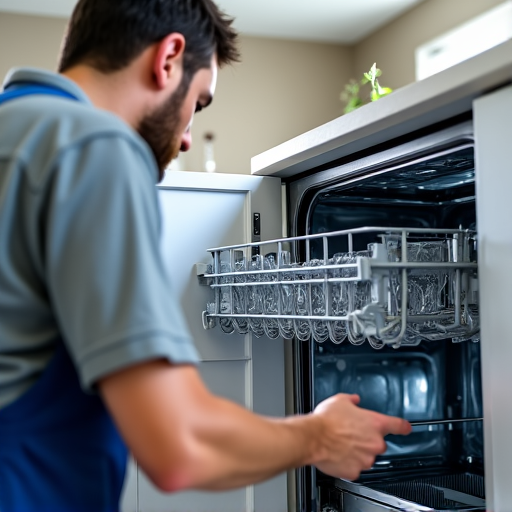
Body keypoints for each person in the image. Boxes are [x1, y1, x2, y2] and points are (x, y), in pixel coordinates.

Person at [0, 0, 411, 510]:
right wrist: (321, 436)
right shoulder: (93, 146)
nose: (188, 136)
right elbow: (179, 446)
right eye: (198, 103)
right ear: (168, 58)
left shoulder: (17, 129)